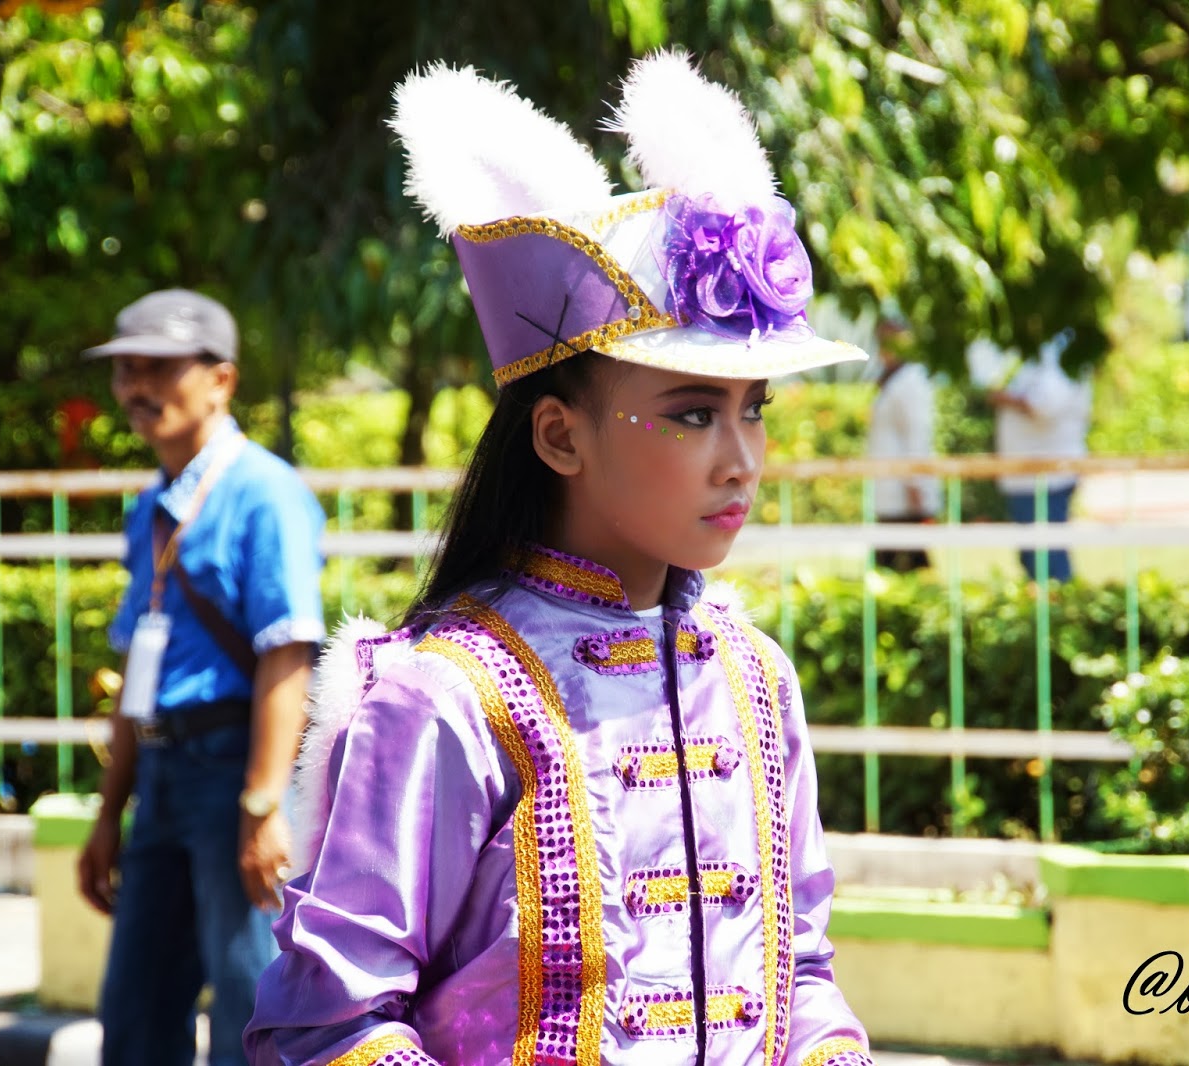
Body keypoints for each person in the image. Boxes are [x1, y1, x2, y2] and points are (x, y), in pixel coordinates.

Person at [244, 54, 876, 1066]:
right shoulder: (440, 697)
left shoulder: (755, 679)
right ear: (558, 436)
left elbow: (795, 969)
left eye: (754, 410)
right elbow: (331, 1023)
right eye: (690, 414)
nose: (741, 457)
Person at [75, 289, 328, 1066]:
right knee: (136, 1011)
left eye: (158, 368)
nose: (137, 389)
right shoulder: (150, 506)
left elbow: (289, 650)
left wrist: (261, 803)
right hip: (161, 773)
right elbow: (137, 667)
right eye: (126, 372)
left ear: (221, 380)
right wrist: (109, 811)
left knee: (251, 999)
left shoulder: (266, 492)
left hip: (234, 771)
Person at [984, 329, 1093, 583]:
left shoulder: (1060, 346)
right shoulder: (1035, 347)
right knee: (1033, 556)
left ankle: (1058, 614)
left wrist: (1002, 398)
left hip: (1047, 476)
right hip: (1027, 474)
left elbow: (1045, 404)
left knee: (1048, 560)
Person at [866, 300, 941, 571]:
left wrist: (916, 488)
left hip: (906, 497)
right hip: (889, 496)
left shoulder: (911, 380)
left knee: (908, 570)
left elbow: (916, 435)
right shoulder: (891, 378)